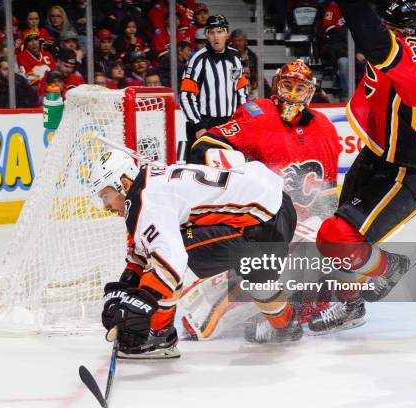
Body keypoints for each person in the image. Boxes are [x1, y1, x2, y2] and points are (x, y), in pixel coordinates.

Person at [308, 0, 416, 334]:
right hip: (379, 152)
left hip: (407, 169)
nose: (389, 32)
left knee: (337, 236)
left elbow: (374, 40)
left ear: (414, 34)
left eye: (395, 29)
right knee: (339, 230)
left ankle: (390, 267)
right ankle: (350, 305)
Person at [90, 151, 298, 359]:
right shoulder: (153, 179)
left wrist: (140, 303)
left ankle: (159, 337)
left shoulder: (142, 201)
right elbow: (146, 247)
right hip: (277, 208)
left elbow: (170, 259)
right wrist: (128, 285)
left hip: (259, 229)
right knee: (258, 279)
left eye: (105, 196)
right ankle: (287, 325)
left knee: (168, 260)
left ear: (124, 185)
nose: (105, 206)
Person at [188, 60, 341, 333]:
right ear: (276, 85)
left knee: (323, 243)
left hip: (301, 225)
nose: (292, 95)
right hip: (260, 222)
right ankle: (231, 297)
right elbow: (208, 144)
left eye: (300, 88)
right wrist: (221, 160)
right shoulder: (257, 114)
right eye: (287, 86)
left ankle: (285, 311)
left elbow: (328, 194)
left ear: (310, 92)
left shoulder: (325, 129)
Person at [180, 15, 248, 156]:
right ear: (207, 35)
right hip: (205, 123)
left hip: (229, 124)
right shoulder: (198, 59)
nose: (216, 37)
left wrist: (241, 121)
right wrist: (198, 126)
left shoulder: (235, 57)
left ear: (226, 34)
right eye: (212, 32)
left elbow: (241, 91)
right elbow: (186, 96)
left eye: (219, 32)